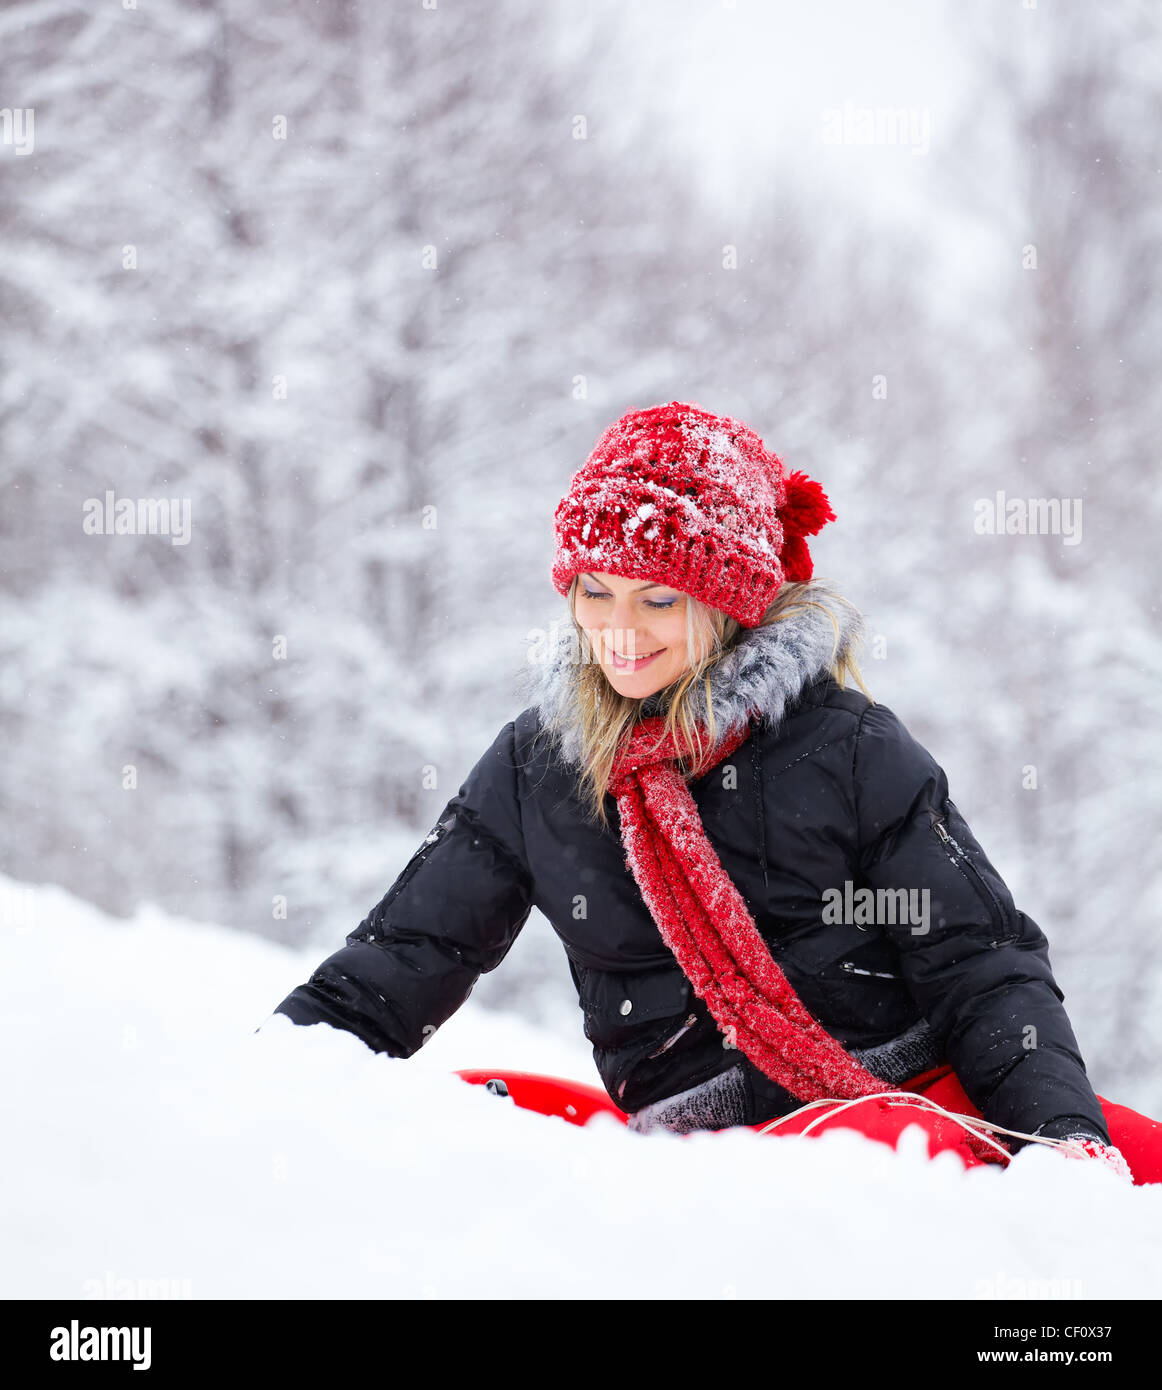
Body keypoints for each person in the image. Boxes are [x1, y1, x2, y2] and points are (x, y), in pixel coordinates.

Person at [266, 400, 1158, 1182]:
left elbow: (981, 963)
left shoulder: (847, 747)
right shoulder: (539, 770)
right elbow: (393, 968)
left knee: (1135, 1166)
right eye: (594, 591)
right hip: (705, 1150)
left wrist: (1061, 1143)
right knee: (457, 1120)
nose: (618, 632)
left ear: (730, 602)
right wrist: (253, 1088)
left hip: (909, 1093)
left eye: (657, 600)